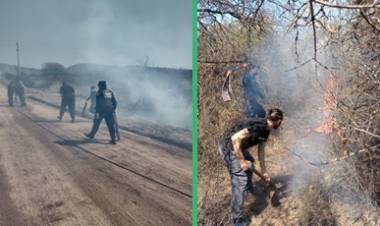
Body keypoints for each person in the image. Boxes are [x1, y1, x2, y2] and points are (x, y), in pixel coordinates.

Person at [218, 108, 284, 226]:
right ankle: (236, 219)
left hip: (238, 147)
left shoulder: (266, 129)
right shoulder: (259, 127)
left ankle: (248, 191)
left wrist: (264, 172)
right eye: (281, 121)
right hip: (228, 147)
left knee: (251, 162)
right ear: (278, 121)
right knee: (241, 179)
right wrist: (242, 161)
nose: (280, 123)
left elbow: (261, 151)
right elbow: (235, 139)